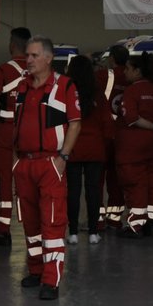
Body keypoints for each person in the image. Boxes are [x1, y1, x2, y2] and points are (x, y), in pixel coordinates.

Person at [11, 35, 81, 299]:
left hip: (50, 163)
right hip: (25, 164)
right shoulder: (22, 88)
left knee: (52, 222)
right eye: (27, 55)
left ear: (49, 58)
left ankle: (51, 280)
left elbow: (75, 123)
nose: (28, 60)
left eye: (33, 56)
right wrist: (15, 161)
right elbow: (14, 125)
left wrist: (63, 157)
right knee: (29, 223)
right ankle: (36, 270)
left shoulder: (64, 86)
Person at [114, 52, 153, 236]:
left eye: (128, 69)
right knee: (152, 183)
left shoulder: (131, 92)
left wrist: (152, 126)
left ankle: (135, 225)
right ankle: (151, 223)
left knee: (135, 184)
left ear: (137, 71)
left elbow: (131, 118)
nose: (125, 73)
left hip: (134, 147)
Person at [0, 27, 32, 243]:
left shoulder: (3, 70)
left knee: (5, 178)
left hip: (7, 130)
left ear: (12, 44)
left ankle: (3, 228)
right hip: (32, 131)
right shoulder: (39, 69)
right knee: (31, 179)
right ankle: (33, 225)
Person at [64, 54, 111, 245]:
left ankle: (73, 233)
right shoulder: (97, 93)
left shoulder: (66, 91)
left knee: (73, 191)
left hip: (72, 147)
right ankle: (93, 232)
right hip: (94, 148)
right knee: (94, 192)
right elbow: (107, 123)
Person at [98, 44, 131, 228]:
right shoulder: (131, 77)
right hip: (124, 134)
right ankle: (115, 217)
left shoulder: (104, 76)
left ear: (111, 58)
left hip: (104, 133)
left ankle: (98, 217)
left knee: (98, 177)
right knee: (117, 177)